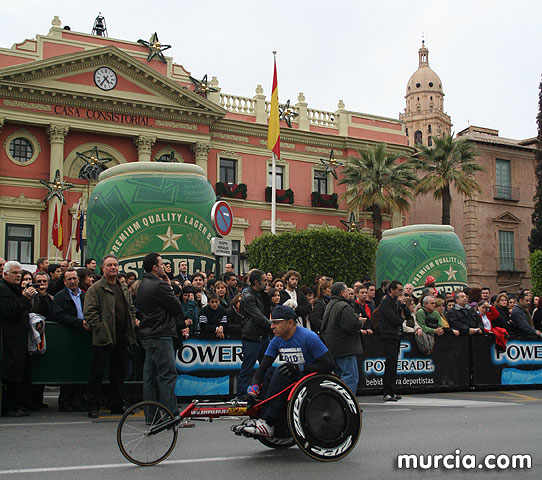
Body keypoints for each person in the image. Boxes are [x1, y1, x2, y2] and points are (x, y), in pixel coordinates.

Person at [236, 305, 334, 437]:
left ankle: (267, 422)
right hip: (295, 380)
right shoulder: (277, 341)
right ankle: (259, 417)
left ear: (290, 323)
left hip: (313, 380)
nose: (272, 327)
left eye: (276, 323)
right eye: (271, 323)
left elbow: (329, 364)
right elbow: (263, 368)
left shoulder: (308, 337)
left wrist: (302, 368)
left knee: (281, 371)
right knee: (270, 371)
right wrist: (253, 391)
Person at [84, 255, 137, 418]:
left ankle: (117, 404)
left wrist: (132, 320)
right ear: (102, 268)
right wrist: (99, 328)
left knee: (118, 373)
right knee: (97, 372)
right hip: (104, 336)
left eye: (115, 265)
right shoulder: (96, 288)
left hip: (121, 336)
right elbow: (89, 312)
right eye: (109, 265)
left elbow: (130, 307)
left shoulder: (122, 287)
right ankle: (93, 405)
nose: (113, 267)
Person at [136, 253, 183, 416]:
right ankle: (172, 415)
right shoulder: (160, 285)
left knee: (150, 377)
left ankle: (152, 416)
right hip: (161, 333)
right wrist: (169, 286)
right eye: (161, 263)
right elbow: (177, 307)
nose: (164, 266)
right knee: (167, 375)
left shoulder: (143, 284)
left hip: (148, 334)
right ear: (155, 267)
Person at [0, 261, 37, 416]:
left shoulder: (15, 289)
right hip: (9, 339)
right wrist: (25, 298)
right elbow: (9, 310)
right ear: (5, 274)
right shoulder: (3, 289)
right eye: (14, 273)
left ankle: (17, 405)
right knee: (11, 374)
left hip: (19, 339)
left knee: (20, 374)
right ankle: (10, 407)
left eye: (19, 273)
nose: (18, 276)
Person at [51, 267, 89, 411]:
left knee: (81, 369)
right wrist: (79, 323)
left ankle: (77, 400)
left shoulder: (85, 295)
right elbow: (58, 315)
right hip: (68, 336)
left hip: (83, 336)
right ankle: (65, 401)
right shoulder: (60, 296)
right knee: (68, 370)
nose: (72, 281)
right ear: (64, 281)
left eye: (75, 278)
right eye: (69, 279)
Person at [320, 282, 363, 393]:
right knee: (350, 377)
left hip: (333, 348)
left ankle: (339, 404)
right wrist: (360, 322)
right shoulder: (343, 306)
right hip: (345, 348)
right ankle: (349, 405)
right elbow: (353, 325)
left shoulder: (330, 305)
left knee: (339, 378)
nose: (349, 293)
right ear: (341, 292)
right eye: (346, 291)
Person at [237, 269, 271, 396]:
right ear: (256, 282)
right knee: (247, 369)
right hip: (252, 337)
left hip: (263, 336)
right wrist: (272, 326)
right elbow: (258, 316)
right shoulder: (248, 296)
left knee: (266, 368)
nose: (266, 283)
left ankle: (265, 394)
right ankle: (241, 396)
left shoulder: (261, 294)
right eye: (264, 281)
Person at [378, 280, 406, 401]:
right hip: (388, 335)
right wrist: (401, 319)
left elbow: (408, 316)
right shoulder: (386, 303)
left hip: (396, 335)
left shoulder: (396, 302)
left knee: (394, 364)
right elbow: (393, 319)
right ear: (391, 290)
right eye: (399, 290)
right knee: (390, 363)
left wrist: (403, 305)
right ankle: (387, 391)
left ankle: (392, 390)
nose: (401, 292)